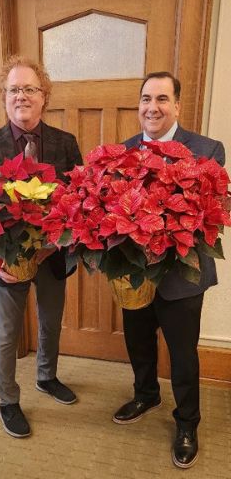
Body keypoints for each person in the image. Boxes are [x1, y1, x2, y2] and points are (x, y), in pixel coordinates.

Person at [113, 71, 223, 469]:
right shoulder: (121, 152)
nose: (152, 107)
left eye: (162, 99)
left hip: (181, 276)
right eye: (146, 99)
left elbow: (206, 216)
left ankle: (188, 422)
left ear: (177, 104)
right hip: (135, 275)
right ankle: (145, 394)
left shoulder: (207, 150)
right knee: (138, 342)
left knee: (182, 354)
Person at [0, 56, 83, 438]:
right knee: (7, 333)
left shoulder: (66, 144)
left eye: (30, 89)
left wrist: (52, 246)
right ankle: (8, 400)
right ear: (4, 97)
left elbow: (78, 203)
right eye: (14, 89)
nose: (22, 96)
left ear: (44, 96)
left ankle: (47, 377)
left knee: (51, 321)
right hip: (8, 261)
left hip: (52, 256)